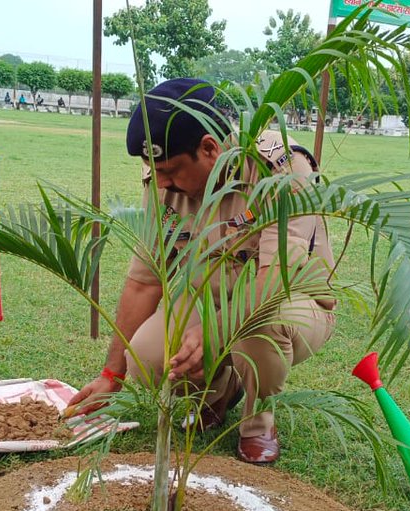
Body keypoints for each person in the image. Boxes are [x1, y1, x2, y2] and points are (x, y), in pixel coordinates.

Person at [64, 78, 336, 465]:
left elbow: (275, 278)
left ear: (210, 148)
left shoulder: (281, 168)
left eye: (171, 171)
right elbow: (145, 282)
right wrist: (112, 373)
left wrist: (215, 333)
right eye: (153, 171)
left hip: (290, 303)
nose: (161, 183)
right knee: (146, 354)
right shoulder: (163, 180)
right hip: (206, 299)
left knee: (257, 329)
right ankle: (218, 393)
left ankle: (258, 424)